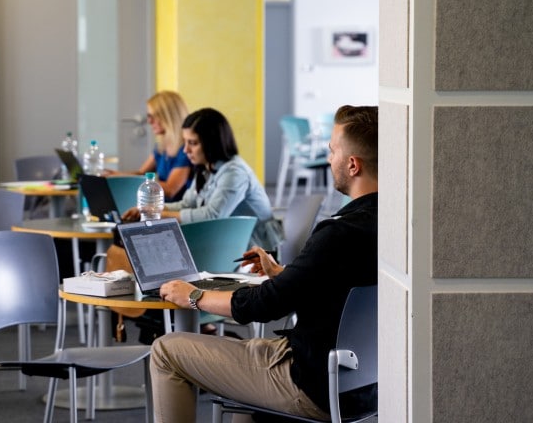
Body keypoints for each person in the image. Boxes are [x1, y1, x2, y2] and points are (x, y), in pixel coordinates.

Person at [150, 105, 379, 422]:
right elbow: (334, 285)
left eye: (332, 151)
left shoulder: (337, 233)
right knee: (245, 388)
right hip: (366, 388)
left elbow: (262, 306)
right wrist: (283, 273)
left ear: (353, 165)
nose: (328, 159)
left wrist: (193, 295)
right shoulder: (392, 227)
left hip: (310, 383)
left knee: (166, 350)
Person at [120, 107, 283, 250]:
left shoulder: (235, 173)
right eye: (185, 142)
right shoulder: (206, 168)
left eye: (193, 143)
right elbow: (187, 204)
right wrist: (150, 209)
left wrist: (159, 214)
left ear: (212, 143)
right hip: (226, 242)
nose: (185, 150)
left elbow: (212, 216)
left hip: (257, 251)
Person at [104, 90, 193, 201]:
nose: (149, 121)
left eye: (152, 116)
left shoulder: (185, 149)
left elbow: (171, 189)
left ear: (167, 117)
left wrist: (126, 181)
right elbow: (141, 173)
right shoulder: (162, 146)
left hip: (174, 210)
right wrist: (115, 175)